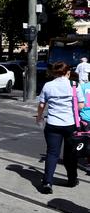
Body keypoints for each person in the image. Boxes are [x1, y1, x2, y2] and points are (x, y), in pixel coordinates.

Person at [36, 61, 84, 194]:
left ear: (54, 73)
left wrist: (39, 117)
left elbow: (41, 105)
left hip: (52, 124)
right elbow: (80, 105)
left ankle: (47, 183)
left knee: (52, 153)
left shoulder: (48, 85)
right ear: (67, 72)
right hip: (70, 124)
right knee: (70, 154)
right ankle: (72, 179)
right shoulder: (74, 85)